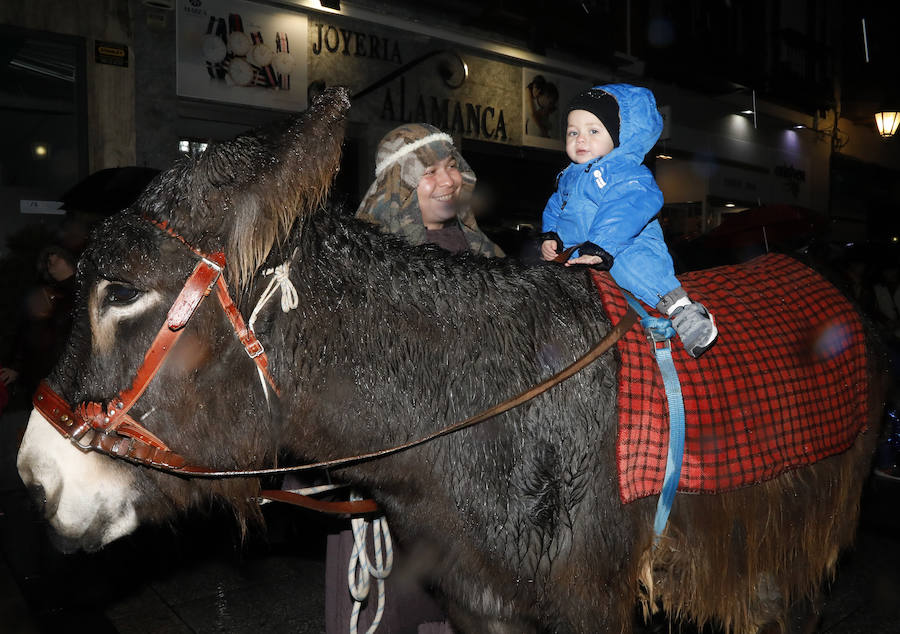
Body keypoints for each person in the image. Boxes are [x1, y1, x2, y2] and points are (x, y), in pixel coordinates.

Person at [539, 84, 718, 358]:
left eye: (593, 131)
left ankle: (683, 311)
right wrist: (551, 235)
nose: (580, 139)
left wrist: (601, 246)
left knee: (635, 268)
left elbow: (627, 207)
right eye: (573, 132)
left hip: (626, 243)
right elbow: (556, 207)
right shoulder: (569, 176)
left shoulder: (625, 172)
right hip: (581, 250)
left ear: (619, 135)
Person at [356, 122, 504, 258]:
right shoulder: (375, 258)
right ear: (400, 186)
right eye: (430, 172)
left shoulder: (485, 251)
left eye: (452, 166)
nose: (448, 181)